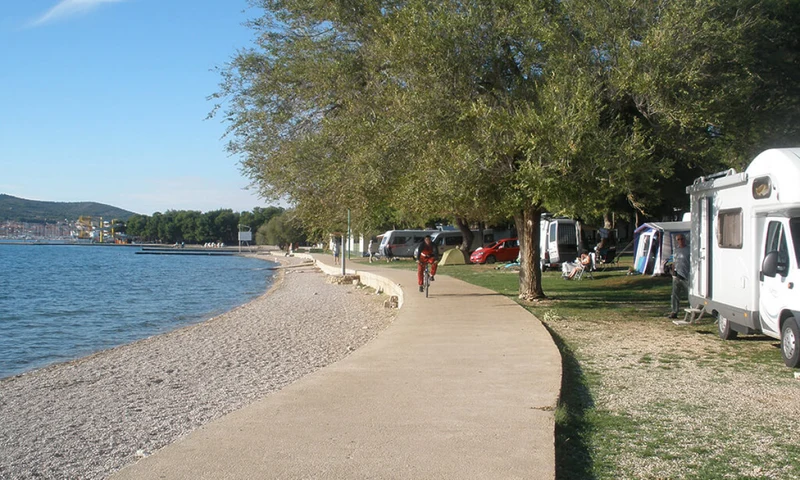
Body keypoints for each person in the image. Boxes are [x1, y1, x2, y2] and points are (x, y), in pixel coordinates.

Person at [667, 234, 690, 319]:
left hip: (686, 275)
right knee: (675, 294)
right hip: (677, 275)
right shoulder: (676, 250)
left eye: (682, 239)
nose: (681, 241)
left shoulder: (689, 249)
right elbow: (674, 262)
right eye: (678, 239)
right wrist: (673, 272)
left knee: (689, 294)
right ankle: (674, 311)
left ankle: (692, 310)